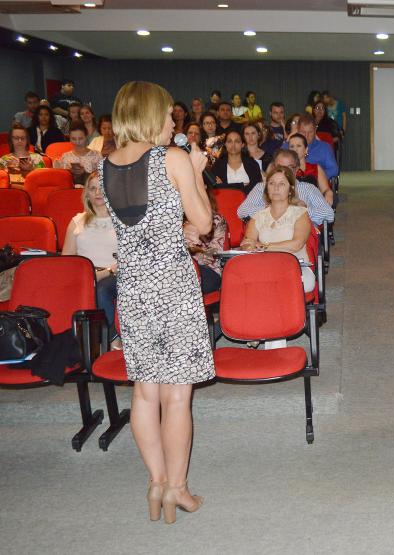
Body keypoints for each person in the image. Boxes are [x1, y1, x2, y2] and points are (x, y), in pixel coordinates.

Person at [100, 81, 213, 523]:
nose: (174, 122)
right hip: (173, 288)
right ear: (150, 115)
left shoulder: (104, 167)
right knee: (177, 398)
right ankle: (177, 490)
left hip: (133, 291)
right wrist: (199, 171)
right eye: (169, 115)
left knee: (145, 394)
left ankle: (155, 483)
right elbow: (202, 223)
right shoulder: (174, 159)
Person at [60, 172, 120, 348]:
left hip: (116, 273)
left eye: (102, 188)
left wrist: (108, 272)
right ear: (87, 193)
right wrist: (90, 276)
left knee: (101, 290)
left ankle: (114, 340)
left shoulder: (122, 220)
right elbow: (67, 261)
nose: (98, 193)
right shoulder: (77, 222)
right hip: (85, 276)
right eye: (93, 188)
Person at [240, 165, 316, 294]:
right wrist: (249, 247)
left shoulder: (301, 213)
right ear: (267, 188)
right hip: (265, 267)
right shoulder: (258, 217)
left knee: (276, 283)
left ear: (291, 189)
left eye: (281, 184)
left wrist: (263, 247)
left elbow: (296, 244)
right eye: (272, 183)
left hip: (296, 267)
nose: (276, 188)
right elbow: (247, 245)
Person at [236, 149, 334, 226]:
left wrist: (298, 211)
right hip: (267, 237)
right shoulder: (261, 187)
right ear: (274, 167)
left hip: (300, 238)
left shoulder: (308, 188)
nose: (284, 171)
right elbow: (242, 211)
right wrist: (272, 209)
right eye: (280, 167)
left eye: (289, 167)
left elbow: (328, 213)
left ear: (296, 169)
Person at [184, 183, 227, 295]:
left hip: (208, 269)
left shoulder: (217, 219)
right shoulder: (175, 219)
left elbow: (216, 250)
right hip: (182, 267)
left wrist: (198, 255)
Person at [287, 133, 334, 205]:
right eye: (292, 146)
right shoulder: (285, 169)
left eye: (299, 146)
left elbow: (326, 189)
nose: (295, 149)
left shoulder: (316, 168)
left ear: (306, 150)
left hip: (313, 206)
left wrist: (329, 193)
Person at [296, 114, 339, 179]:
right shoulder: (288, 146)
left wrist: (317, 178)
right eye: (303, 132)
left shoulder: (325, 147)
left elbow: (334, 170)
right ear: (298, 130)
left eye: (310, 132)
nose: (306, 136)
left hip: (317, 184)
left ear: (315, 130)